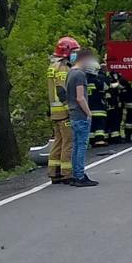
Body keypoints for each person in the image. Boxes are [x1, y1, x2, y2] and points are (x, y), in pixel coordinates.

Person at [47, 36, 80, 184]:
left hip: (55, 111)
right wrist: (70, 109)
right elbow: (62, 91)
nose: (76, 55)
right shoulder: (63, 68)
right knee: (68, 142)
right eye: (74, 52)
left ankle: (54, 172)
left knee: (58, 142)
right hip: (64, 111)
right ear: (66, 52)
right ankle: (67, 174)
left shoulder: (52, 66)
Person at [64, 48, 100, 187]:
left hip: (73, 113)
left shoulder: (70, 73)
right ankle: (80, 176)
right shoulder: (79, 74)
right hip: (80, 114)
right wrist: (88, 113)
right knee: (81, 146)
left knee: (76, 146)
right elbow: (80, 97)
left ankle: (75, 175)